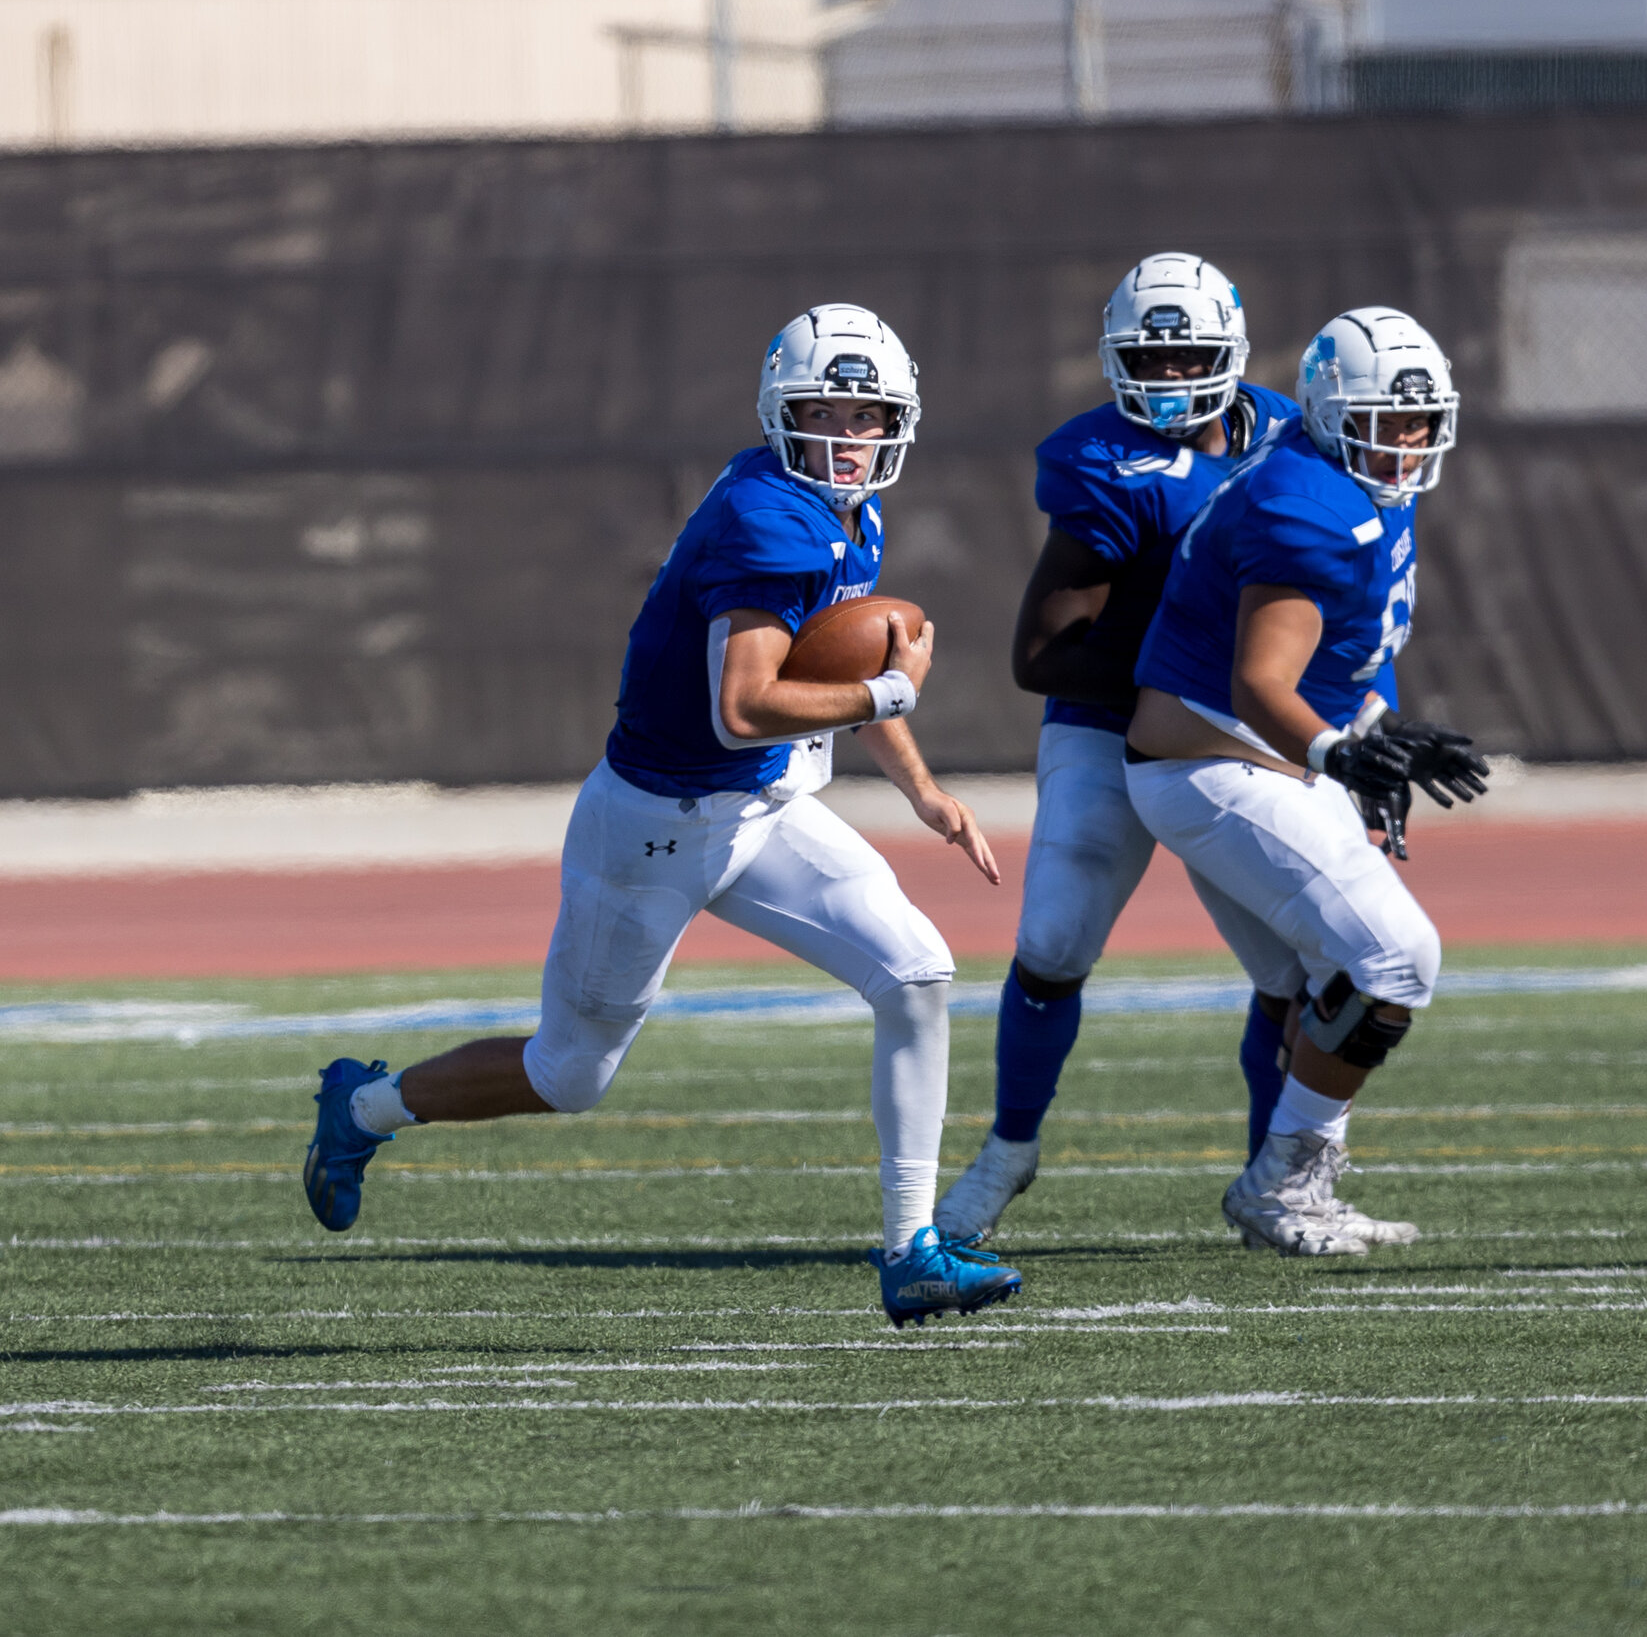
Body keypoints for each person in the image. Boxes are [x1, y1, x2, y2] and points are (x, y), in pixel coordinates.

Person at [299, 304, 1026, 1326]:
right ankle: (363, 1106)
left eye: (869, 415)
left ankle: (910, 1248)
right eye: (828, 409)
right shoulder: (769, 516)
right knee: (569, 1075)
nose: (849, 436)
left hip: (764, 808)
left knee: (916, 972)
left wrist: (919, 784)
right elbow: (744, 705)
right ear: (785, 409)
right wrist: (893, 698)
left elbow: (839, 664)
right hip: (657, 826)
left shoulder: (845, 514)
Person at [931, 253, 1300, 1243]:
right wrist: (1182, 683)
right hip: (1110, 722)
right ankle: (1011, 1145)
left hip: (1235, 731)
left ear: (1230, 353)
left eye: (1191, 356)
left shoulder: (1293, 440)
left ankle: (1276, 1178)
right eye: (1152, 355)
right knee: (1052, 941)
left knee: (1292, 965)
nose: (1172, 378)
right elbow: (1042, 654)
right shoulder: (1106, 462)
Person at [1121, 307, 1490, 1256]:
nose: (1406, 442)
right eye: (1386, 420)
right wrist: (1339, 753)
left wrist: (1378, 731)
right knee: (1399, 957)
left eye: (1420, 422)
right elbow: (1261, 681)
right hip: (1212, 762)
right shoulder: (1307, 502)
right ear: (1332, 413)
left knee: (1327, 975)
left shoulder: (1340, 474)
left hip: (1242, 756)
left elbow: (1339, 661)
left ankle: (1296, 1188)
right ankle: (1282, 1184)